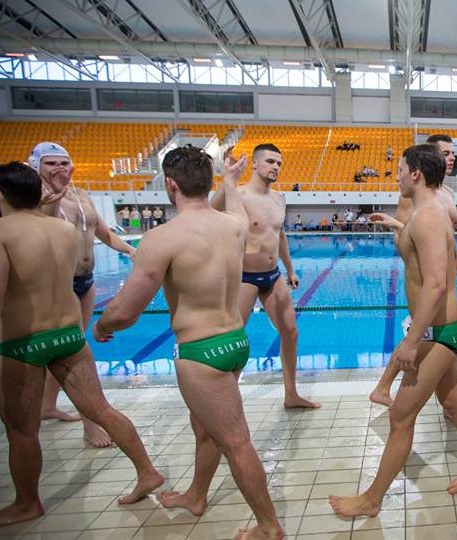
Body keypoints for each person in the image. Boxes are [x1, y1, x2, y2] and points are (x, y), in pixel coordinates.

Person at [93, 146, 284, 539]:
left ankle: (268, 527)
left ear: (170, 185)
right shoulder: (233, 225)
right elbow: (235, 209)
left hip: (200, 352)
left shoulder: (162, 238)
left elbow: (127, 312)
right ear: (208, 182)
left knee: (237, 442)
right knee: (206, 427)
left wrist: (101, 326)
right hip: (234, 342)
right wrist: (229, 180)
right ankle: (197, 495)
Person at [0, 162, 163, 530]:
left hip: (22, 343)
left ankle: (27, 503)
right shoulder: (64, 230)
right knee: (103, 410)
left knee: (21, 431)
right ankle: (147, 472)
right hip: (69, 336)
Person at [329, 144, 457, 518]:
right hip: (441, 332)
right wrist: (397, 226)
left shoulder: (429, 217)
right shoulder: (423, 216)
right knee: (453, 402)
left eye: (400, 169)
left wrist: (410, 339)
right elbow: (427, 250)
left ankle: (372, 500)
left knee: (401, 416)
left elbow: (436, 284)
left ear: (416, 173)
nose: (397, 175)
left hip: (440, 334)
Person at [32, 142, 137, 448]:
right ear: (37, 166)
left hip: (86, 281)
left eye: (64, 163)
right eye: (51, 163)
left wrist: (131, 250)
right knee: (75, 353)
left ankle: (47, 406)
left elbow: (104, 234)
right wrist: (51, 201)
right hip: (58, 283)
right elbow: (43, 232)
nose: (59, 169)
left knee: (73, 344)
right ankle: (91, 424)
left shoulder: (81, 196)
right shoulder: (37, 198)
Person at [210, 143, 319, 410]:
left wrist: (290, 269)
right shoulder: (240, 195)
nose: (276, 167)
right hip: (244, 277)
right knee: (233, 339)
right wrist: (228, 180)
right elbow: (211, 210)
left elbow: (279, 235)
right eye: (270, 162)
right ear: (255, 164)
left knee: (291, 332)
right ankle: (223, 403)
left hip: (273, 275)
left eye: (279, 163)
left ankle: (291, 394)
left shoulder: (279, 199)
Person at [368, 134, 457, 409]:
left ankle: (452, 409)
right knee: (417, 341)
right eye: (445, 153)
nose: (451, 158)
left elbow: (445, 239)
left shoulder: (446, 194)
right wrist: (397, 226)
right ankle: (385, 387)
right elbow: (411, 243)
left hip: (442, 287)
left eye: (452, 153)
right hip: (428, 285)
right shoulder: (414, 198)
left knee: (450, 391)